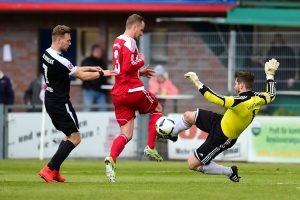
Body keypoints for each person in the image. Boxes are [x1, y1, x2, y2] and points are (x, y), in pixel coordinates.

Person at [162, 58, 279, 182]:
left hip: (222, 137)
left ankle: (229, 171)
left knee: (192, 164)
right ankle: (173, 134)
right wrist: (270, 75)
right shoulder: (258, 98)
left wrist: (197, 82)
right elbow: (271, 94)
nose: (234, 87)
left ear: (241, 85)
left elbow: (215, 98)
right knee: (188, 116)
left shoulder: (240, 102)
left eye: (235, 84)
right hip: (220, 121)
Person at [38, 25, 117, 183]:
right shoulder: (60, 59)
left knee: (68, 136)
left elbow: (72, 69)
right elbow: (82, 76)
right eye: (68, 40)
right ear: (59, 40)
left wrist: (91, 67)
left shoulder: (47, 53)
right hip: (60, 102)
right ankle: (49, 168)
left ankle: (55, 171)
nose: (70, 43)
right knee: (75, 138)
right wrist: (104, 73)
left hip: (51, 99)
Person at [104, 14, 164, 183]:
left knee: (127, 134)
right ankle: (151, 147)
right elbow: (128, 66)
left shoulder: (117, 41)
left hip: (119, 93)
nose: (142, 34)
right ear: (135, 26)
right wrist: (140, 62)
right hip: (133, 90)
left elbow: (121, 70)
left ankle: (111, 159)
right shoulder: (130, 42)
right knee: (158, 108)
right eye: (142, 30)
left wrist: (140, 72)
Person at [81, 44, 108, 111]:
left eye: (100, 51)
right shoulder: (87, 61)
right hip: (89, 90)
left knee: (103, 110)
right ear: (93, 51)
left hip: (101, 90)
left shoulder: (102, 62)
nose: (100, 53)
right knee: (87, 109)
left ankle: (101, 122)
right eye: (98, 51)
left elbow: (105, 75)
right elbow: (84, 75)